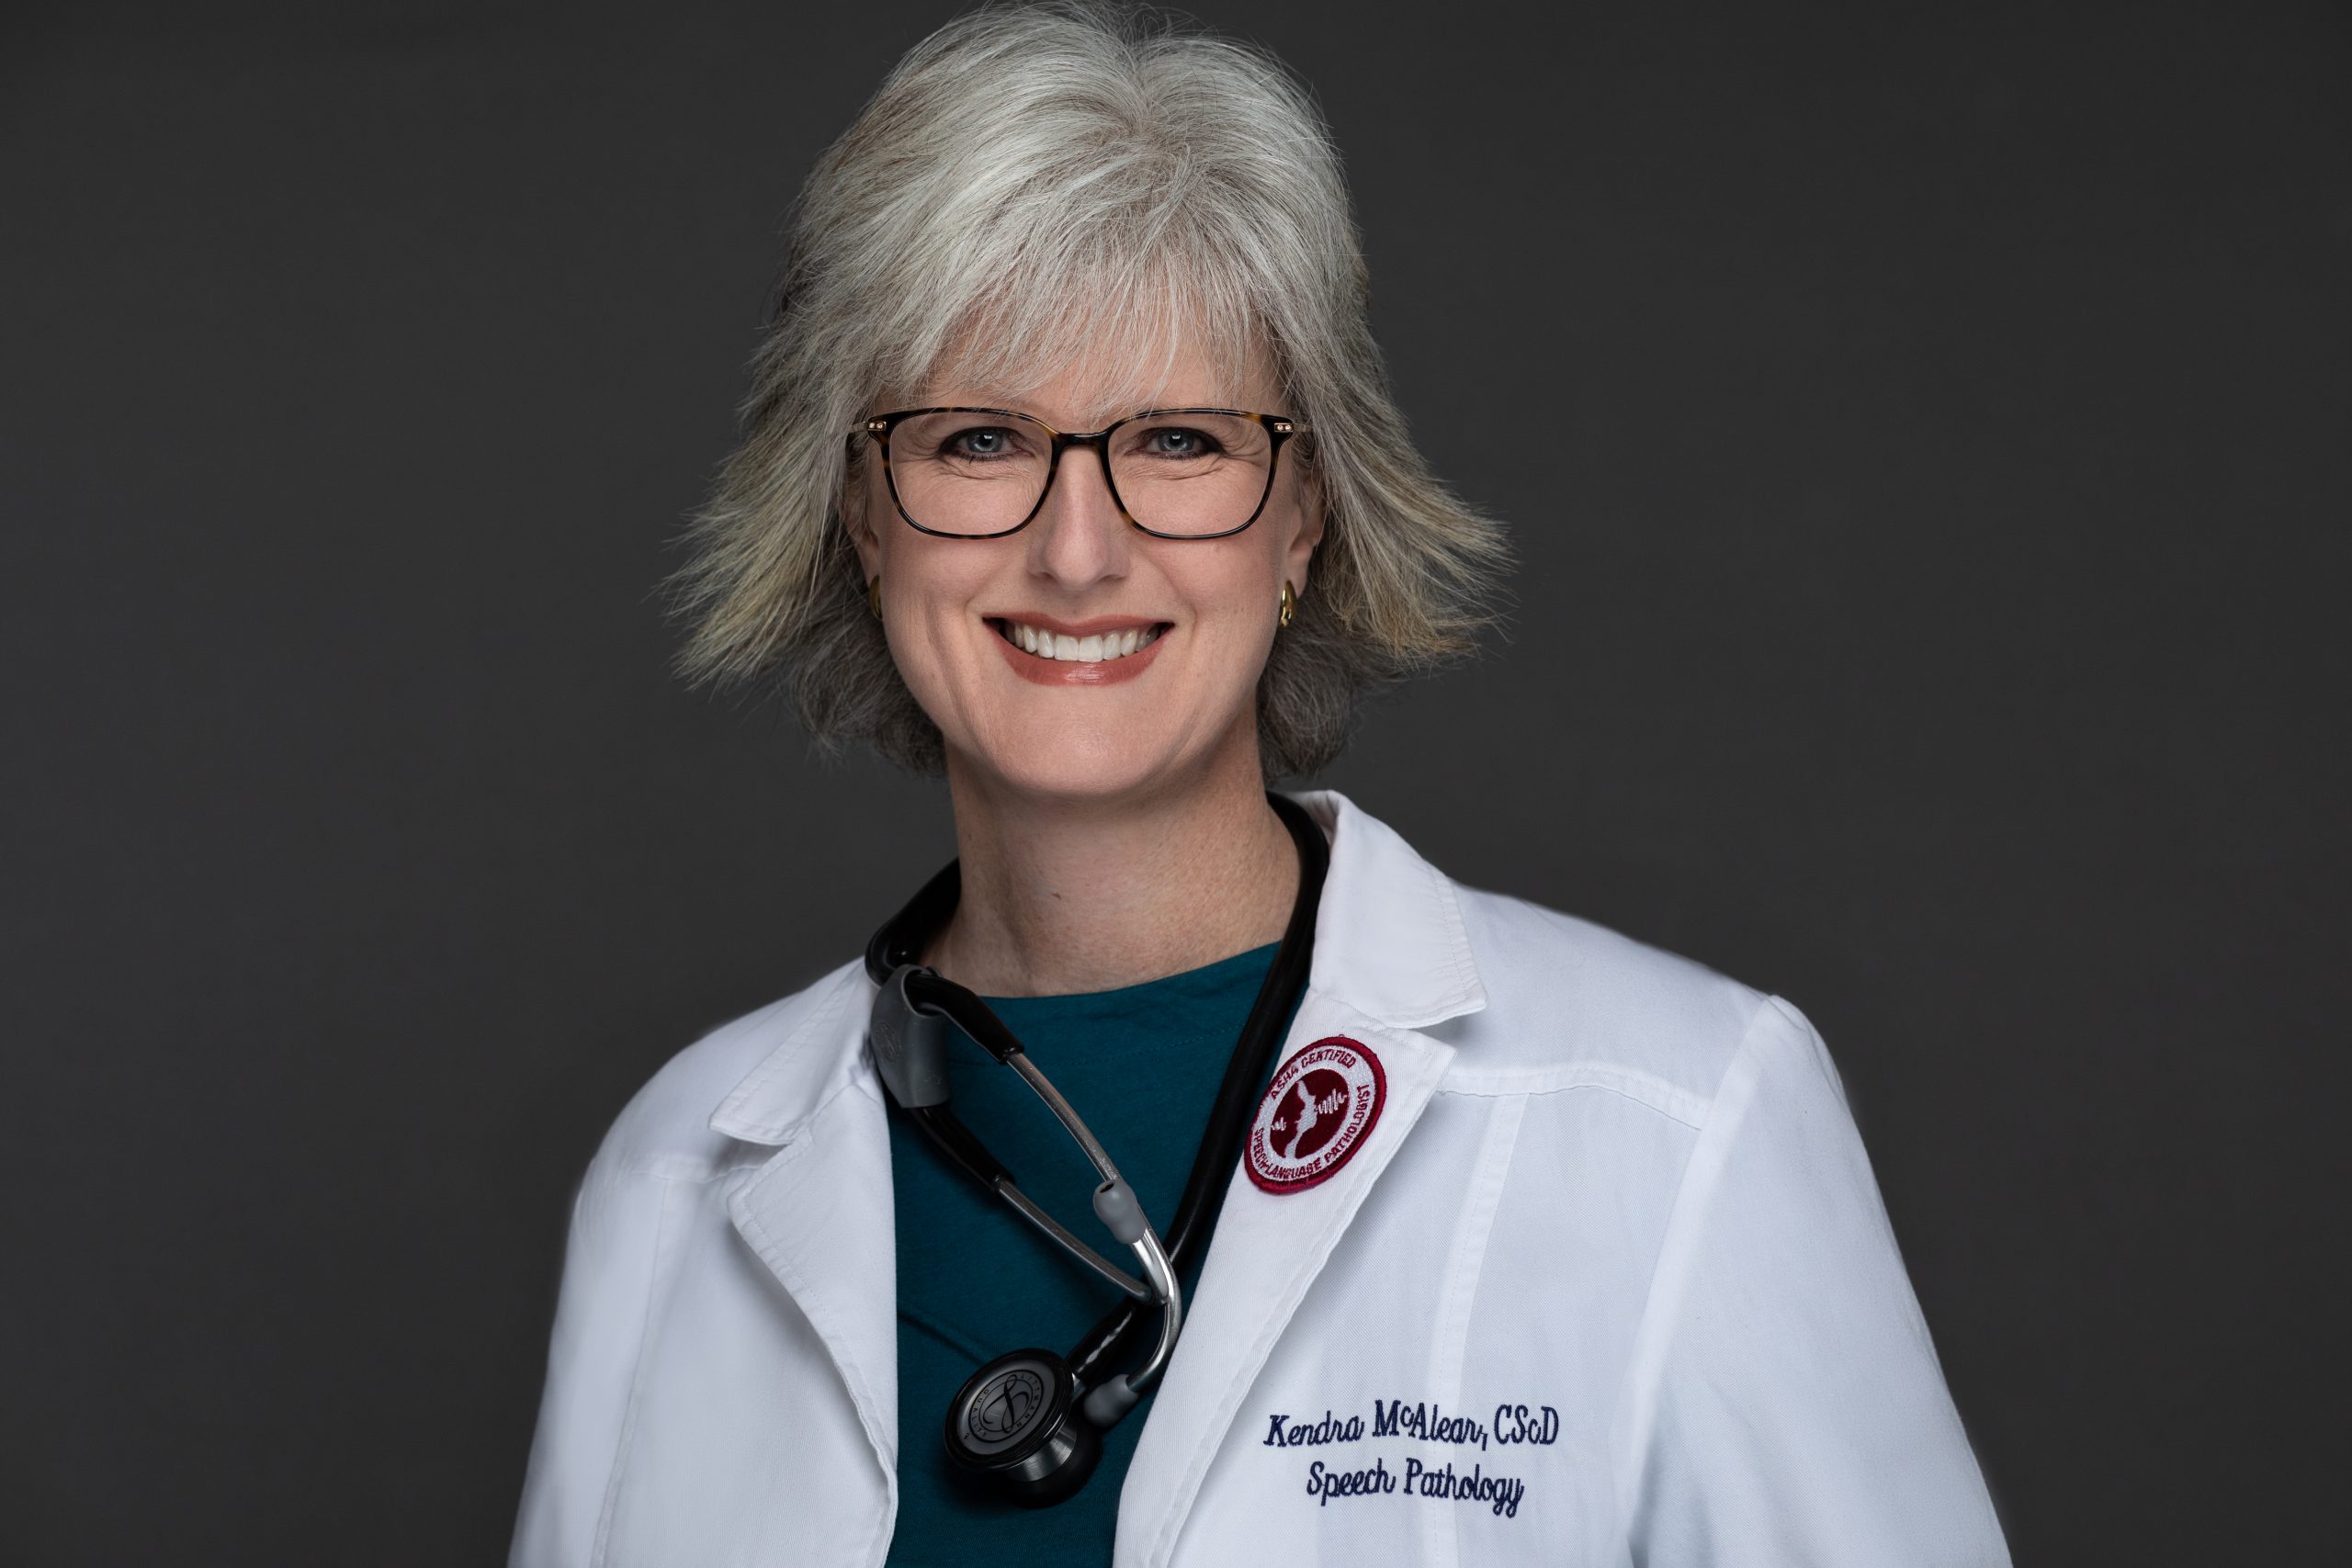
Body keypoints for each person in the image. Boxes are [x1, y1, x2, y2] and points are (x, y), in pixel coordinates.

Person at [509, 4, 2010, 1564]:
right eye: (972, 439)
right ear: (862, 520)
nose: (1076, 550)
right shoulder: (674, 1177)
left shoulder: (1681, 1122)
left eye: (1175, 439)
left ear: (1305, 515)